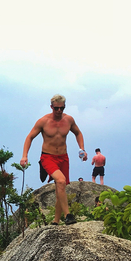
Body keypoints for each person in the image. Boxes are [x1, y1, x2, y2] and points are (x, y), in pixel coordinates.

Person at [21, 94, 86, 226]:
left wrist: (82, 149)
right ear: (51, 107)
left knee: (60, 188)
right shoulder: (43, 121)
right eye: (56, 108)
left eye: (62, 108)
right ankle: (68, 215)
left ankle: (56, 221)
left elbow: (78, 133)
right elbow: (30, 137)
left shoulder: (69, 120)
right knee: (61, 181)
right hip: (48, 157)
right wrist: (24, 155)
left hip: (63, 157)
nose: (59, 111)